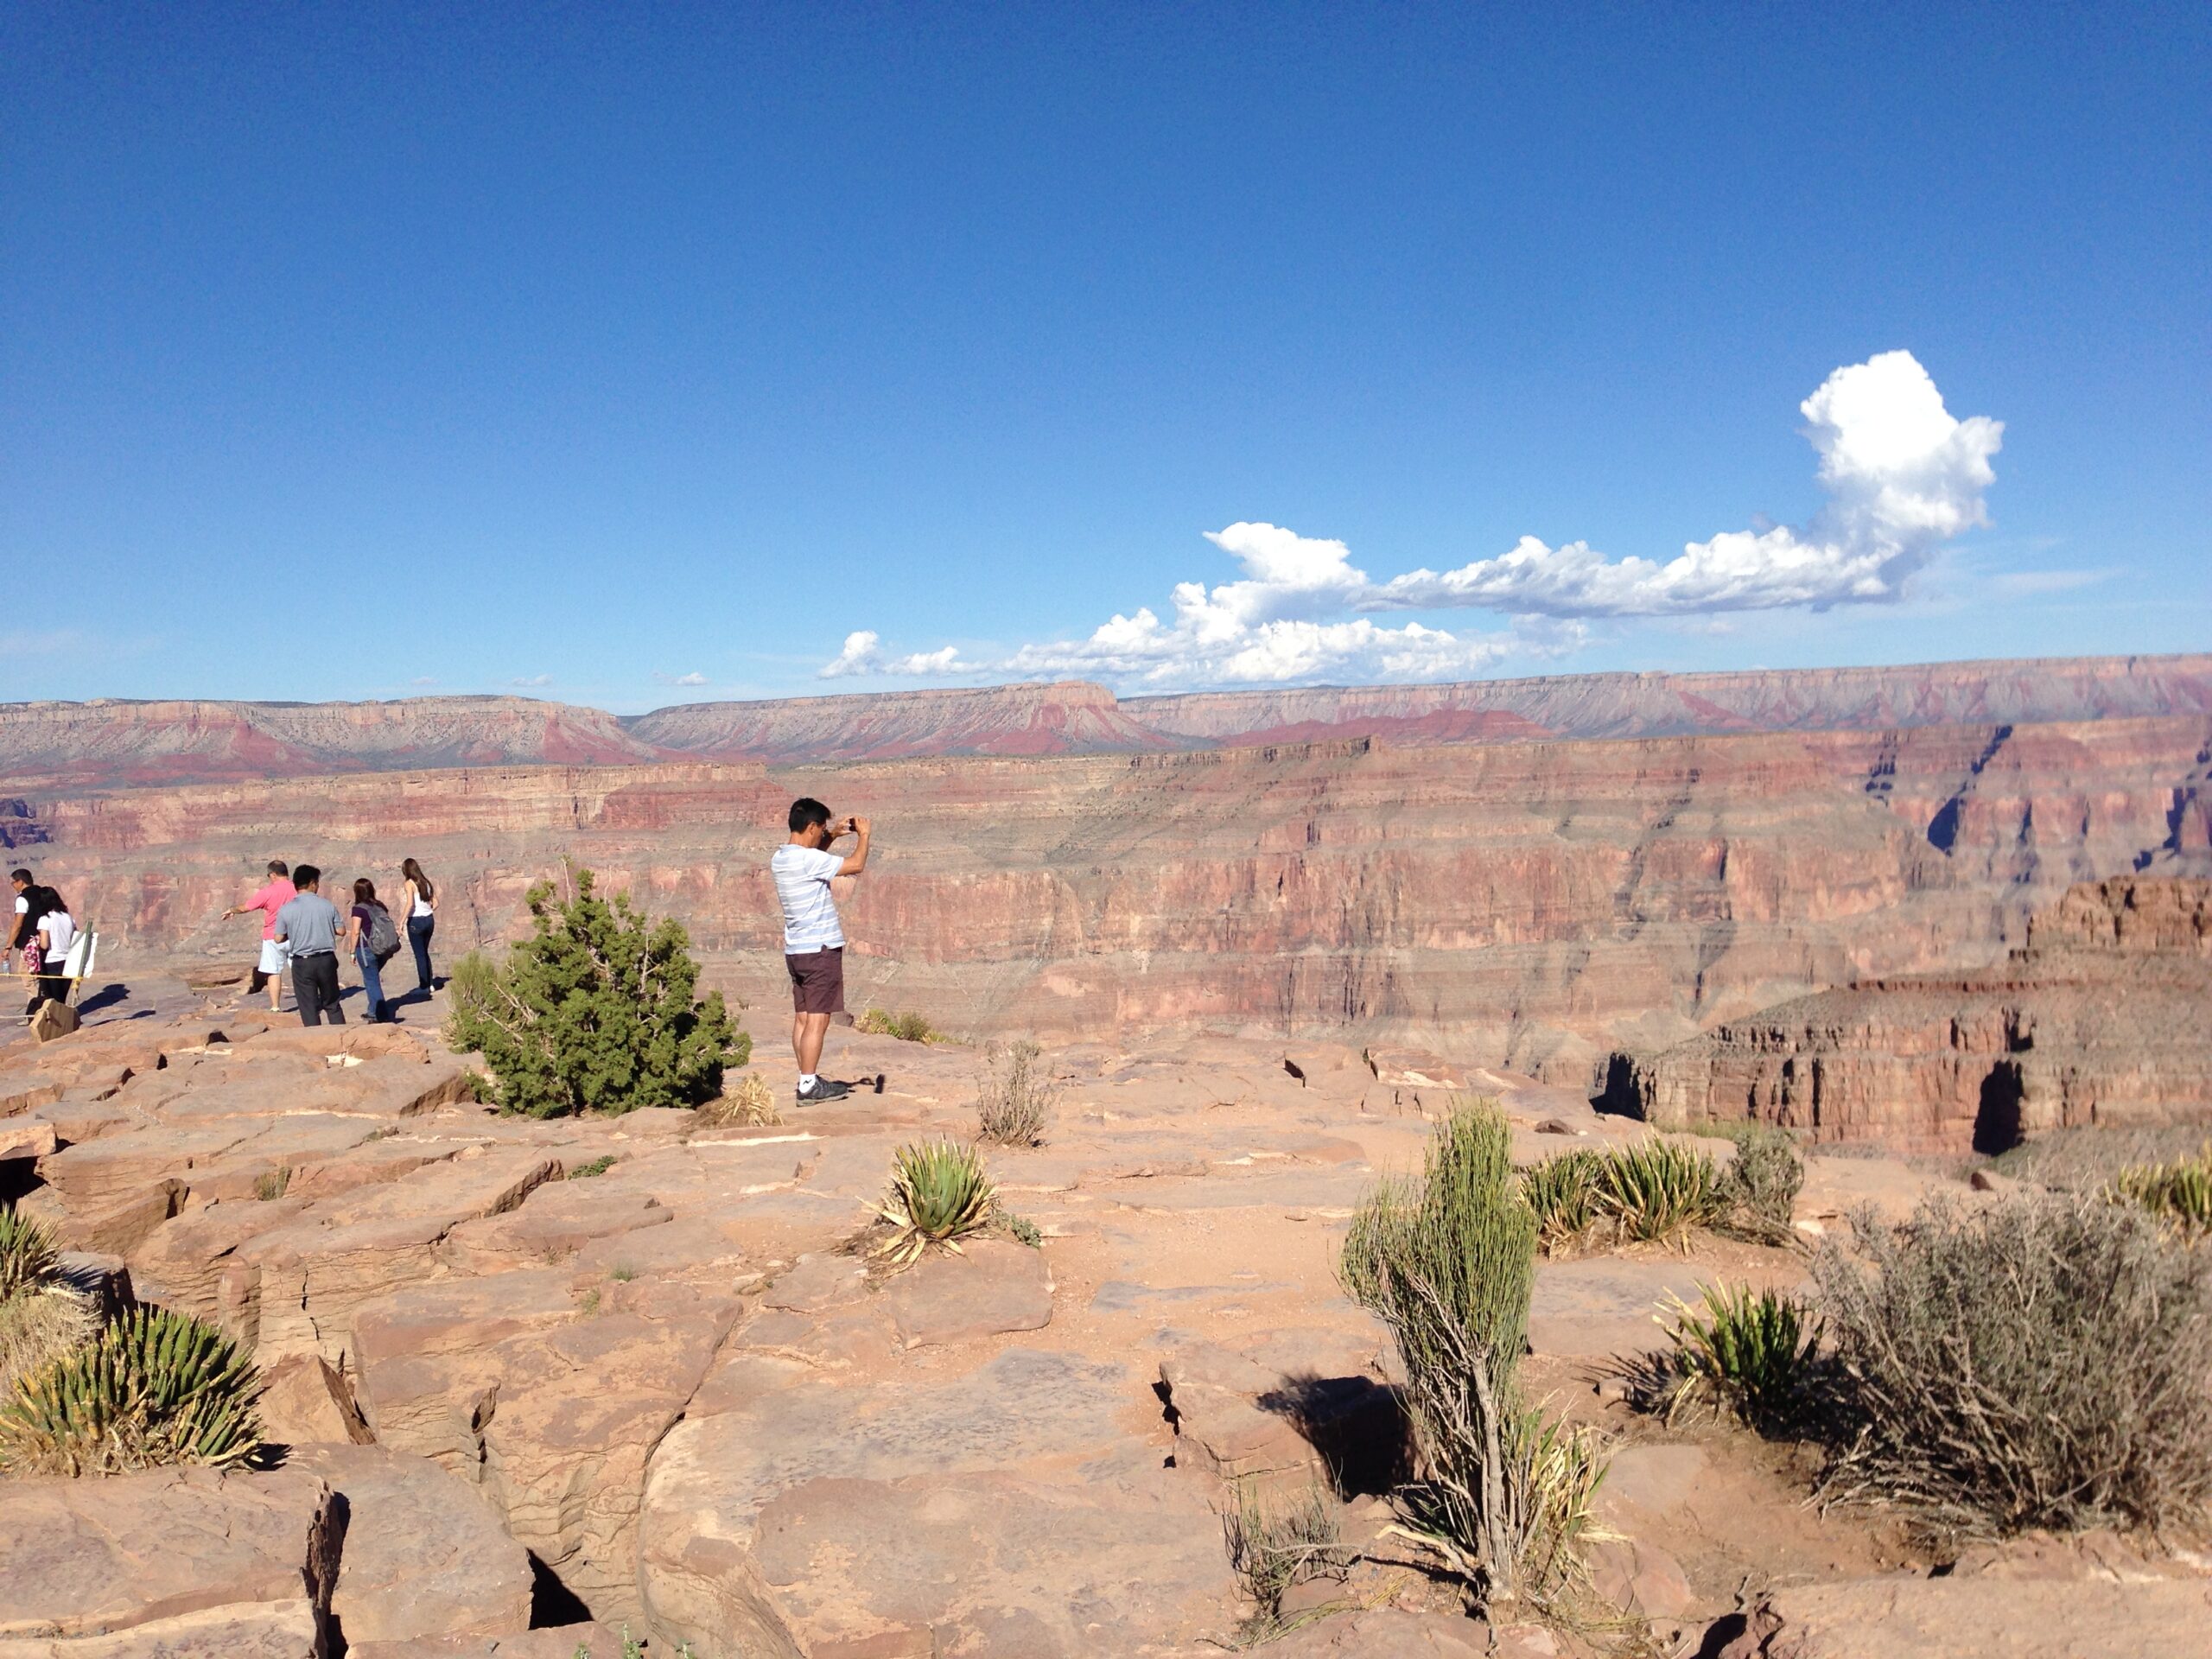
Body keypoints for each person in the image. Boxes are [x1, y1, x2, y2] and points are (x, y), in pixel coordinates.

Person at [771, 797, 870, 1104]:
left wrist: (832, 836)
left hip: (797, 951)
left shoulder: (783, 858)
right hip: (820, 950)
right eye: (821, 829)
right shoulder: (806, 860)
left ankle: (805, 1078)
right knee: (818, 1019)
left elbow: (813, 858)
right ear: (811, 826)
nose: (821, 834)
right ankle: (809, 1086)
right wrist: (864, 835)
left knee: (802, 1019)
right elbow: (856, 865)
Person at [273, 864, 346, 1027]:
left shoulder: (286, 909)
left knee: (308, 1007)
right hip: (326, 959)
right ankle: (342, 1040)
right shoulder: (327, 905)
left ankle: (315, 1045)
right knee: (332, 1004)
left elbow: (278, 938)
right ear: (313, 883)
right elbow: (341, 931)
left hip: (302, 962)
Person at [222, 861, 296, 1013]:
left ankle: (275, 1007)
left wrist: (231, 910)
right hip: (296, 935)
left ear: (273, 875)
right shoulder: (298, 888)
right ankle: (310, 1001)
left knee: (274, 972)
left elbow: (246, 907)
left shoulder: (267, 892)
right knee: (301, 970)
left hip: (272, 936)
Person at [340, 878, 397, 1024]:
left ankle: (381, 1015)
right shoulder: (380, 906)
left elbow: (355, 932)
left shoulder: (358, 909)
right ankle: (372, 1011)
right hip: (383, 949)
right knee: (371, 979)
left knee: (372, 981)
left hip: (367, 949)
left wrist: (352, 952)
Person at [397, 857, 436, 996]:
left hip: (416, 922)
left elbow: (410, 904)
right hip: (429, 920)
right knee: (424, 952)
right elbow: (435, 903)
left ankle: (424, 986)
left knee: (419, 955)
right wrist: (426, 911)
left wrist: (401, 921)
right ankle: (430, 984)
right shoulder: (426, 882)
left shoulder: (409, 883)